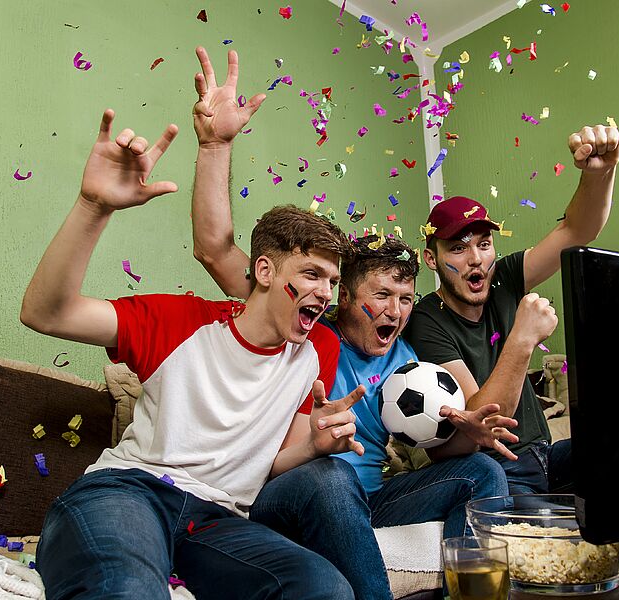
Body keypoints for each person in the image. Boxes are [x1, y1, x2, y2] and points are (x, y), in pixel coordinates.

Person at [19, 107, 383, 599]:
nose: (326, 292)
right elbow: (47, 313)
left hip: (217, 520)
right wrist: (93, 205)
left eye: (333, 281)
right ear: (266, 271)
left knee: (324, 589)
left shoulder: (318, 347)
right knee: (128, 589)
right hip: (129, 492)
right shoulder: (180, 322)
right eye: (313, 275)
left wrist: (315, 448)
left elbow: (271, 464)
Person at [188, 46, 514, 551]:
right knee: (331, 481)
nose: (396, 311)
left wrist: (466, 430)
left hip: (373, 501)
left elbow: (447, 444)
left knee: (483, 472)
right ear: (341, 298)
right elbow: (215, 250)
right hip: (296, 496)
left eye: (406, 298)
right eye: (381, 294)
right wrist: (215, 147)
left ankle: (464, 582)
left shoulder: (410, 361)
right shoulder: (304, 328)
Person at [403, 125, 619, 495]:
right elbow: (485, 419)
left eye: (484, 244)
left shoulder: (503, 278)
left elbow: (577, 230)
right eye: (458, 248)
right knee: (544, 541)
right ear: (432, 259)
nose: (476, 260)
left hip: (545, 456)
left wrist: (599, 173)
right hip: (499, 468)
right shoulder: (427, 320)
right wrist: (523, 338)